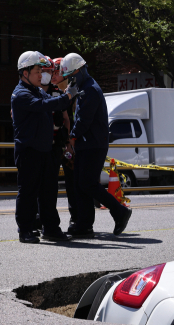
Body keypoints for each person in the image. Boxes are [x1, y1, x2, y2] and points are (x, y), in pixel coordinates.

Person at [61, 52, 132, 237]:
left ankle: (119, 211)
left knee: (88, 183)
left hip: (93, 144)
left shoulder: (90, 89)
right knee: (80, 184)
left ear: (80, 70)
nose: (71, 80)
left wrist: (72, 137)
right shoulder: (84, 86)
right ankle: (84, 225)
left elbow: (84, 119)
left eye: (72, 76)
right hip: (87, 144)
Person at [11, 51, 76, 243]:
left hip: (46, 149)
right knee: (28, 191)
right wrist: (67, 97)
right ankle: (25, 230)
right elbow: (43, 105)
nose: (41, 74)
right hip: (29, 150)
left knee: (49, 191)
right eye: (37, 70)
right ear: (25, 72)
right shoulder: (21, 94)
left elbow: (49, 103)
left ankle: (51, 229)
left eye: (41, 70)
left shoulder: (37, 90)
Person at [50, 57, 80, 229]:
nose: (53, 75)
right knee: (49, 182)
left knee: (72, 182)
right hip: (55, 142)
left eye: (57, 72)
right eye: (51, 72)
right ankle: (47, 219)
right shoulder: (48, 90)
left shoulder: (75, 91)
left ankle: (75, 218)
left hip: (70, 142)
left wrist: (71, 141)